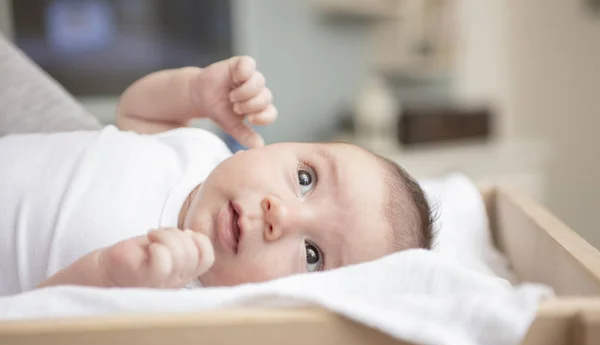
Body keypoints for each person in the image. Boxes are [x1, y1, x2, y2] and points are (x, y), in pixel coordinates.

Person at [0, 56, 433, 294]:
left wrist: (109, 277)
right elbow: (134, 113)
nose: (278, 216)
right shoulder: (200, 152)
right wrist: (193, 91)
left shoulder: (175, 292)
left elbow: (39, 321)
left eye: (313, 256)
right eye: (305, 180)